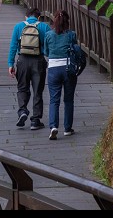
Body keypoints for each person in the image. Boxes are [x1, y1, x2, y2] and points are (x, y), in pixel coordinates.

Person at [7, 6, 51, 131]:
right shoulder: (44, 27)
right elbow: (48, 46)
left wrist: (11, 64)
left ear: (26, 17)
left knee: (22, 88)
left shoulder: (18, 27)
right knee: (37, 90)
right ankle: (35, 120)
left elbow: (13, 46)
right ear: (38, 17)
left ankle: (22, 111)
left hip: (22, 61)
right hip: (38, 61)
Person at [43, 9, 79, 139]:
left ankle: (53, 126)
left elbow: (46, 52)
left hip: (53, 69)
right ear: (67, 21)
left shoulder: (48, 35)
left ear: (54, 21)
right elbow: (75, 49)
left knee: (54, 100)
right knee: (69, 100)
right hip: (68, 68)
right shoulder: (71, 35)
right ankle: (68, 128)